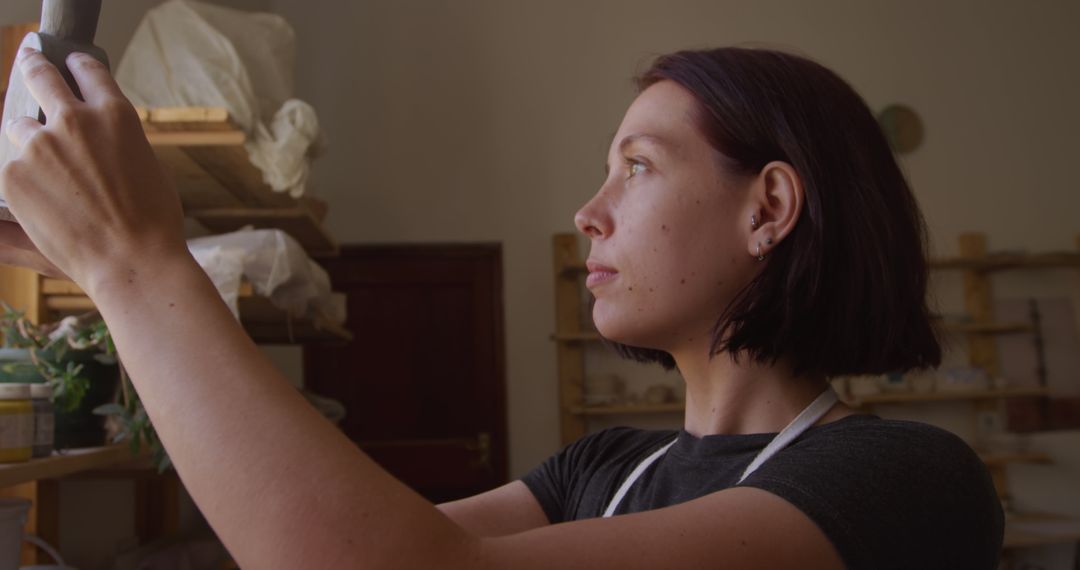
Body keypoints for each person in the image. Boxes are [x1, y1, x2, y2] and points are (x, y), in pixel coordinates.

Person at [0, 44, 1002, 569]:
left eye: (636, 169)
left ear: (768, 208)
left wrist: (135, 262)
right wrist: (99, 270)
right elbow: (326, 541)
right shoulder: (601, 470)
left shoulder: (908, 483)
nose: (588, 213)